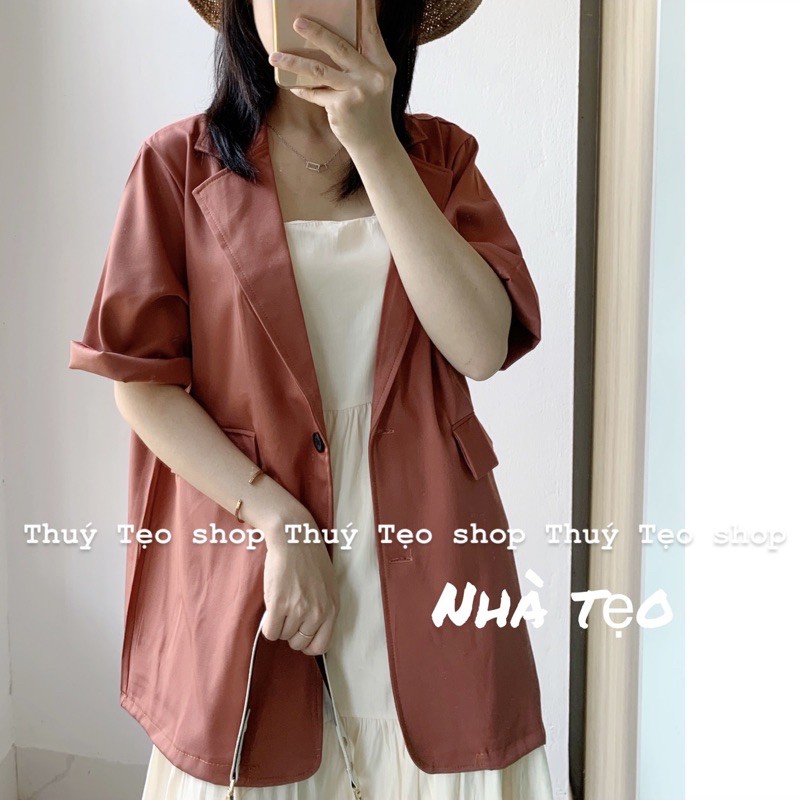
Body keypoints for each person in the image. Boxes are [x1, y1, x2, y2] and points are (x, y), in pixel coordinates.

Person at [69, 0, 554, 797]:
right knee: (261, 755)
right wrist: (275, 517)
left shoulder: (439, 158)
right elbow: (143, 385)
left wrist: (375, 145)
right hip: (253, 549)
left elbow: (478, 345)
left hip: (426, 536)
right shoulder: (177, 166)